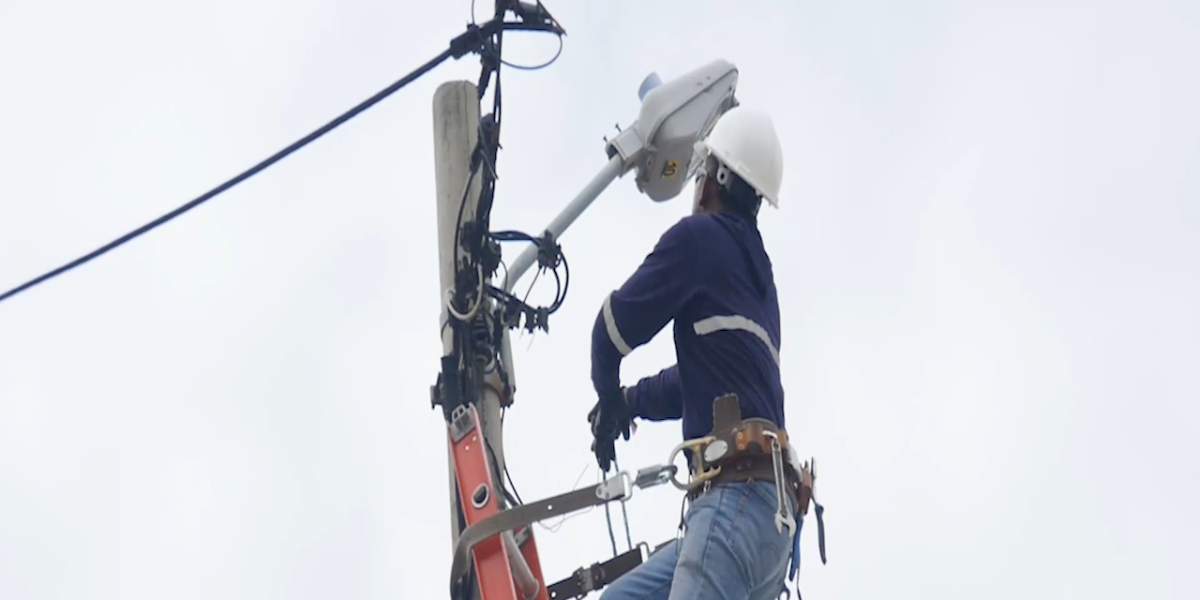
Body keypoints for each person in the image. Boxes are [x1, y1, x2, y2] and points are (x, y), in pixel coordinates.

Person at [586, 104, 801, 600]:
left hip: (731, 504)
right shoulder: (759, 282)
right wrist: (630, 401)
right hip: (772, 524)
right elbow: (693, 383)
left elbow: (611, 330)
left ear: (711, 178)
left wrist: (607, 396)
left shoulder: (699, 240)